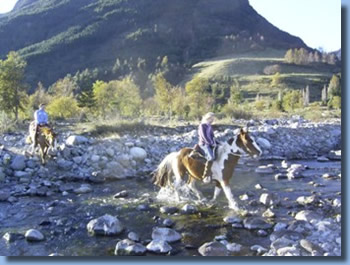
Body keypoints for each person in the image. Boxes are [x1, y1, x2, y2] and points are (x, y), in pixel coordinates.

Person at [198, 112, 216, 183]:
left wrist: (215, 142)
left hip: (211, 143)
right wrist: (211, 143)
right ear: (208, 118)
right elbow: (204, 137)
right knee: (211, 158)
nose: (212, 120)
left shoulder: (209, 126)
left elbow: (212, 136)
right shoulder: (202, 126)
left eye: (213, 119)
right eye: (211, 119)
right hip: (204, 144)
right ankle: (205, 175)